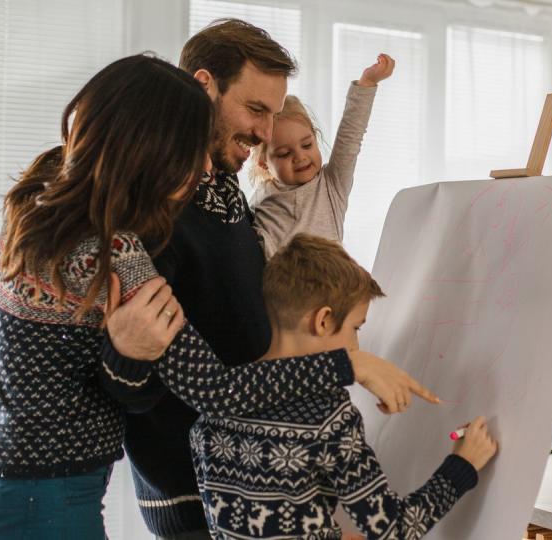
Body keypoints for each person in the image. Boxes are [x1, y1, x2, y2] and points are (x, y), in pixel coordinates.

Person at [100, 20, 435, 540]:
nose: (263, 133)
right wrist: (343, 365)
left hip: (258, 483)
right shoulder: (156, 209)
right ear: (205, 86)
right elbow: (145, 383)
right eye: (256, 110)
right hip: (203, 496)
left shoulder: (227, 186)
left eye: (273, 117)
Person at [0, 53, 214, 539]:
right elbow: (210, 382)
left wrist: (124, 357)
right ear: (151, 150)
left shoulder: (38, 194)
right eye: (195, 149)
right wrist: (344, 365)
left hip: (3, 484)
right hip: (48, 501)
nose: (205, 167)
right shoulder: (115, 252)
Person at [189, 234, 499, 539]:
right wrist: (463, 464)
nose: (356, 343)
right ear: (323, 320)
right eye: (355, 327)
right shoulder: (328, 417)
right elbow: (393, 529)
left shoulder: (215, 406)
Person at [248, 54, 394, 258]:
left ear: (315, 138)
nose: (300, 157)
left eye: (307, 145)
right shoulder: (261, 200)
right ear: (263, 164)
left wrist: (367, 83)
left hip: (330, 286)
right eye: (284, 153)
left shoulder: (331, 185)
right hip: (280, 287)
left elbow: (350, 138)